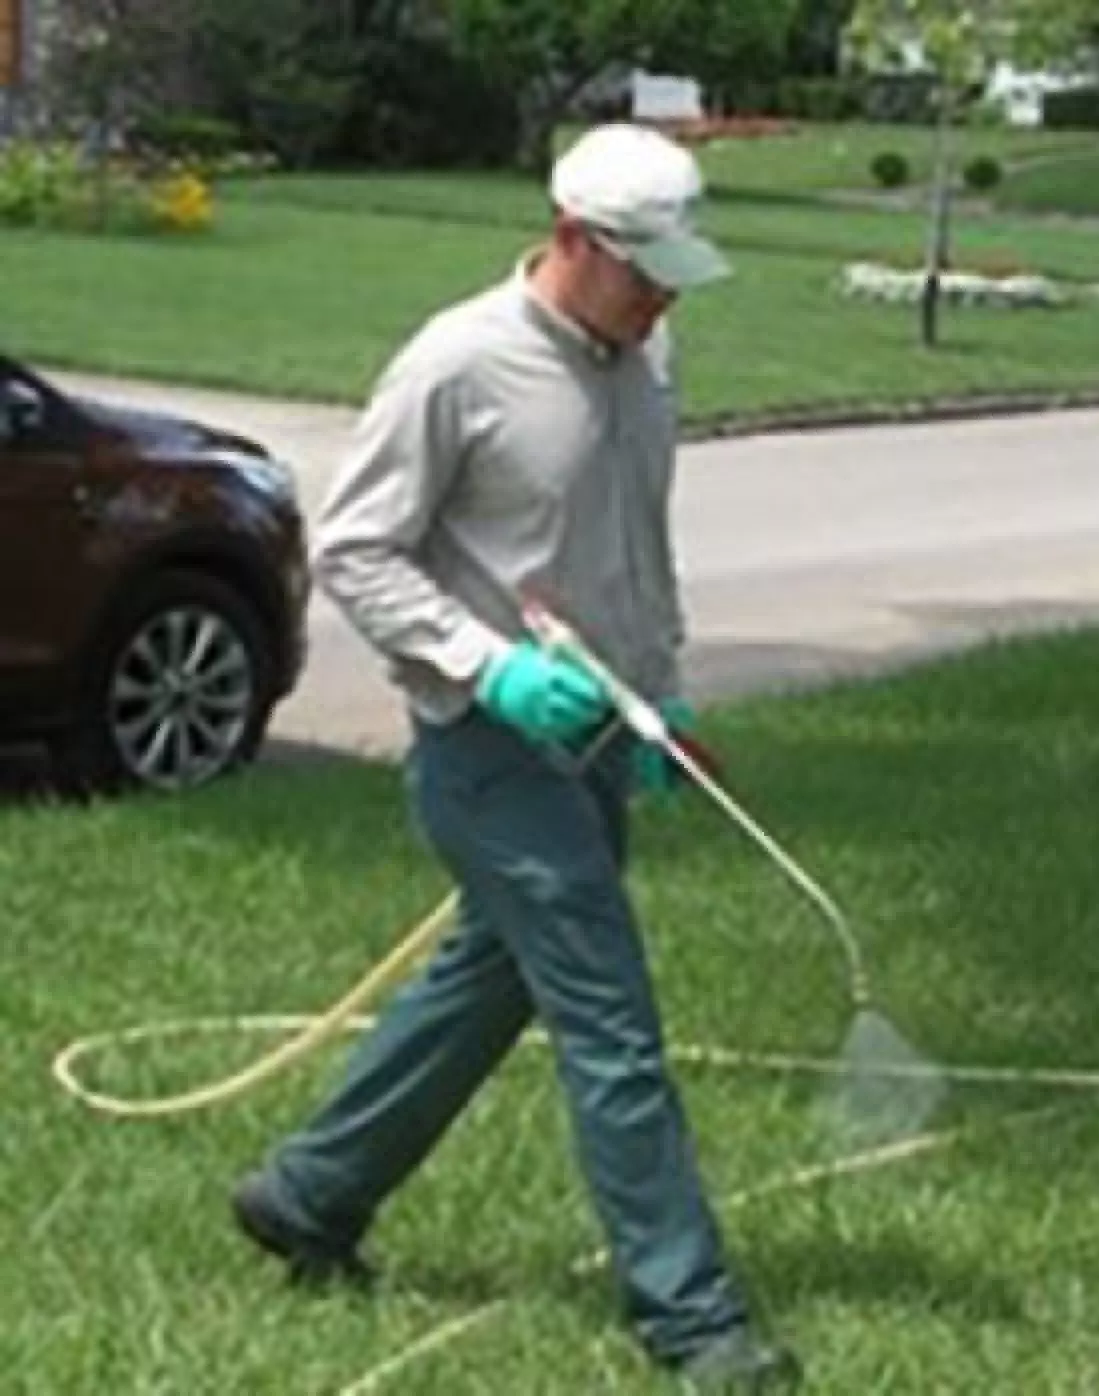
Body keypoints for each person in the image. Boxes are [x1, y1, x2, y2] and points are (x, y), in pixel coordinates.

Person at [231, 122, 802, 1393]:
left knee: (489, 983)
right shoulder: (458, 364)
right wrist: (488, 665)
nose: (659, 297)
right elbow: (357, 550)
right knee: (610, 1016)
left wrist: (659, 701)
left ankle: (307, 1192)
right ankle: (692, 1318)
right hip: (485, 750)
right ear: (568, 239)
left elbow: (630, 548)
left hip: (600, 733)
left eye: (672, 272)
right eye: (640, 269)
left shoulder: (649, 358)